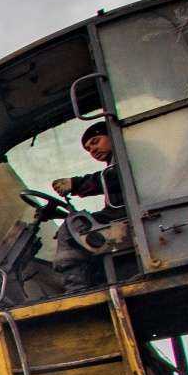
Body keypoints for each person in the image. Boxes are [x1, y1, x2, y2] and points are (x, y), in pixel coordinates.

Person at [49, 122, 125, 293]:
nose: (93, 150)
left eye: (96, 141)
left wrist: (75, 184)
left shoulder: (126, 155)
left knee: (73, 228)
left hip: (126, 215)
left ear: (112, 134)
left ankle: (76, 288)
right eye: (89, 149)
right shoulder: (115, 161)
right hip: (123, 213)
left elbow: (114, 178)